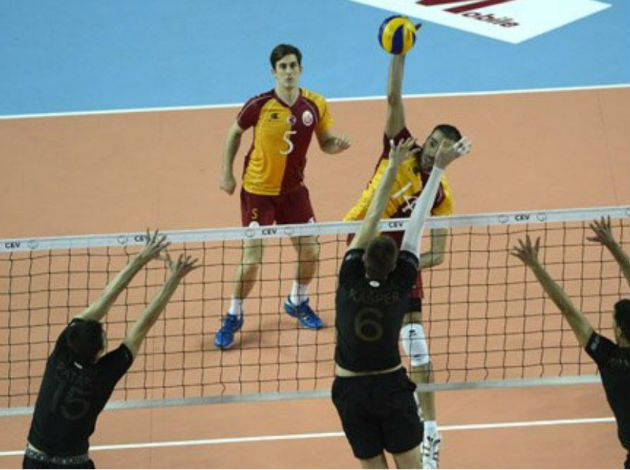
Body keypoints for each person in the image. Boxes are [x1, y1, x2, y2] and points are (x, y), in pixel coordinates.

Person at [343, 47, 462, 468]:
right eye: (433, 142)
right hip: (362, 248)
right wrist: (399, 53)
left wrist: (406, 268)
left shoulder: (441, 194)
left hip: (402, 263)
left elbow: (439, 254)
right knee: (369, 341)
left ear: (451, 156)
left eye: (443, 149)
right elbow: (393, 99)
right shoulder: (402, 147)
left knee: (417, 346)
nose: (433, 151)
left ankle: (431, 432)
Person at [23, 230, 198, 469]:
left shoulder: (62, 351)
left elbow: (106, 298)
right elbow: (142, 326)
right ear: (100, 351)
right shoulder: (104, 373)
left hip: (35, 461)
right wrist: (173, 279)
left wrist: (141, 257)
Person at [215, 43, 351, 349]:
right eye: (283, 67)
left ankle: (297, 300)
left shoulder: (315, 104)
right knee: (252, 261)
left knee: (311, 251)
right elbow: (234, 132)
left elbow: (325, 143)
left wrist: (337, 146)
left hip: (293, 192)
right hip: (258, 192)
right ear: (274, 72)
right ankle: (233, 315)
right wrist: (226, 173)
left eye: (293, 66)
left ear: (300, 69)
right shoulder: (259, 105)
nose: (288, 71)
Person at [511, 217, 629, 469]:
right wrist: (614, 246)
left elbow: (569, 311)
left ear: (619, 331)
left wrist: (535, 266)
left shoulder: (609, 358)